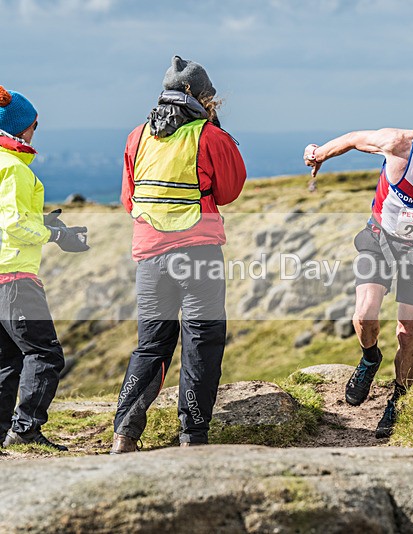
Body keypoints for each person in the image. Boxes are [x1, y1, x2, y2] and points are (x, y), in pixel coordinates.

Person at [304, 103, 413, 438]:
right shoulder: (398, 144)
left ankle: (399, 398)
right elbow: (356, 138)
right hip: (380, 240)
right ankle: (370, 358)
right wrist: (319, 154)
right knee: (364, 315)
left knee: (408, 332)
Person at [111, 56, 246, 453]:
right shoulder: (208, 136)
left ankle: (124, 434)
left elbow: (127, 198)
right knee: (202, 340)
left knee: (151, 344)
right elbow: (229, 191)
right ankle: (193, 436)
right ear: (204, 99)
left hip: (150, 256)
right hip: (198, 254)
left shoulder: (137, 136)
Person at [0, 86, 90, 451]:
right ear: (23, 128)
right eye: (36, 124)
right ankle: (26, 429)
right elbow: (12, 225)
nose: (37, 131)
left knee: (7, 362)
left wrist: (44, 222)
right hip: (17, 278)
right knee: (46, 355)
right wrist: (53, 234)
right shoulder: (15, 170)